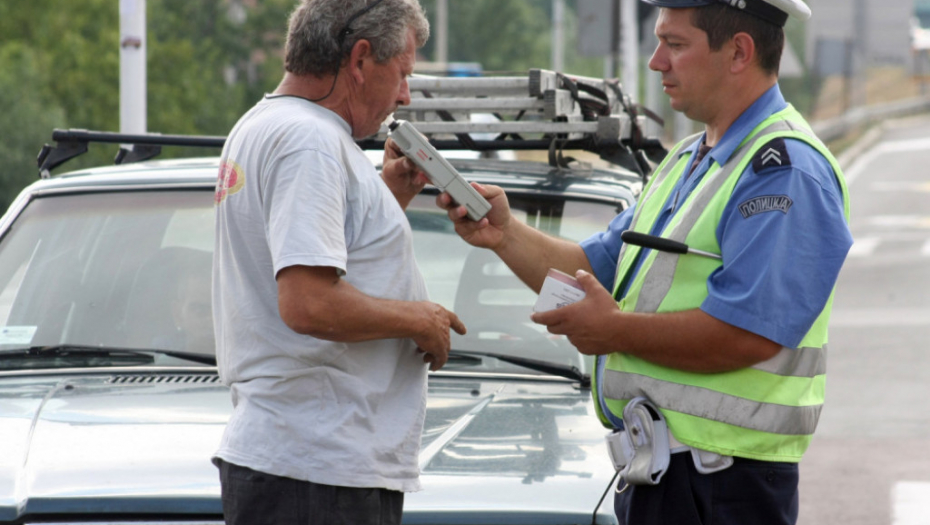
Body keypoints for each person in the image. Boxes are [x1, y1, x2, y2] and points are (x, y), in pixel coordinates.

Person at [437, 1, 852, 524]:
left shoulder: (783, 171)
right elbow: (594, 266)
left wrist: (614, 331)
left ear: (739, 53)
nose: (656, 62)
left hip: (724, 487)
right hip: (665, 478)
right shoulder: (687, 161)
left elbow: (750, 334)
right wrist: (505, 235)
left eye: (675, 45)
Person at [211, 1, 465, 524]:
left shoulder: (268, 125)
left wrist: (384, 196)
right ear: (360, 59)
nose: (405, 95)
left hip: (301, 461)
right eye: (402, 74)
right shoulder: (312, 141)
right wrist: (420, 318)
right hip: (318, 467)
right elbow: (308, 303)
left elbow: (315, 262)